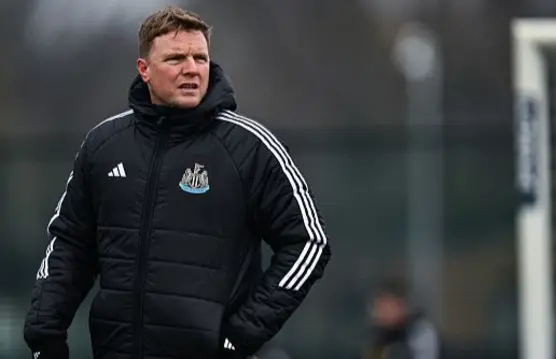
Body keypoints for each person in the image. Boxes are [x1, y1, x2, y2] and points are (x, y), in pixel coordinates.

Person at [23, 5, 331, 359]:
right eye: (175, 59)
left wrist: (240, 334)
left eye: (200, 58)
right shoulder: (104, 145)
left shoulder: (250, 146)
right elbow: (70, 246)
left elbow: (310, 243)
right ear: (145, 70)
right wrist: (45, 334)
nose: (191, 69)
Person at [362, 278, 438, 359]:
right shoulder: (378, 336)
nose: (378, 313)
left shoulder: (420, 332)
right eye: (377, 307)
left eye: (385, 307)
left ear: (399, 305)